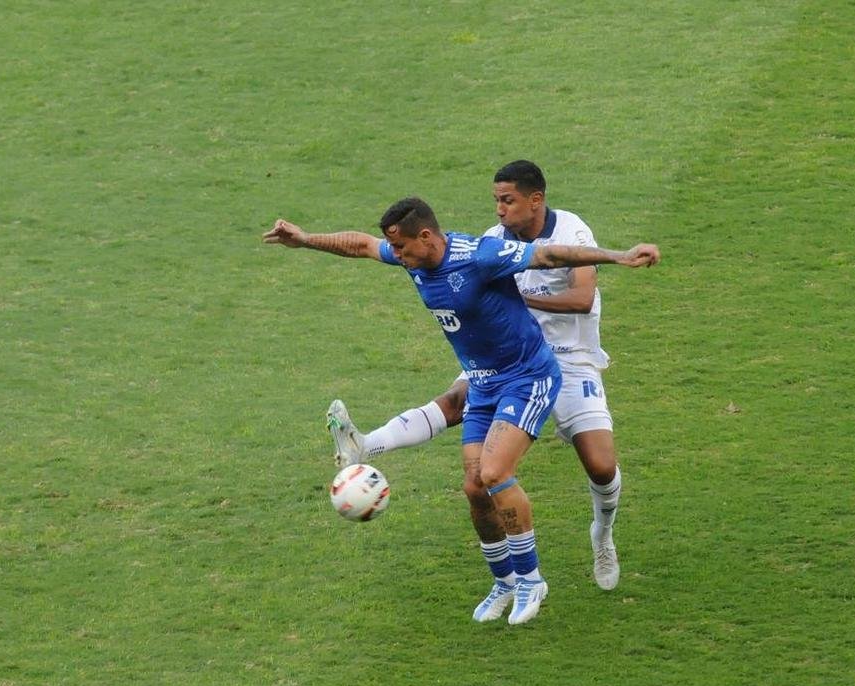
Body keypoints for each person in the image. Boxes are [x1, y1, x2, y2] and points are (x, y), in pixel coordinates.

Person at [263, 197, 660, 625]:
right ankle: (504, 581)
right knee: (474, 488)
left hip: (527, 376)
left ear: (426, 236)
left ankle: (531, 579)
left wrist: (619, 256)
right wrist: (305, 240)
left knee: (494, 474)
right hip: (484, 381)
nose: (395, 256)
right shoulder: (412, 258)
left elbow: (549, 254)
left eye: (400, 248)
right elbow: (360, 245)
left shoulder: (480, 256)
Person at [326, 161, 631, 591]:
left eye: (507, 200)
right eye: (496, 201)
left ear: (535, 200)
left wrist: (513, 294)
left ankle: (602, 533)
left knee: (600, 466)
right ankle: (365, 444)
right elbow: (369, 248)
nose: (500, 210)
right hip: (507, 356)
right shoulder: (491, 241)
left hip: (569, 357)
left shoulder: (571, 232)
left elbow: (582, 298)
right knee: (456, 403)